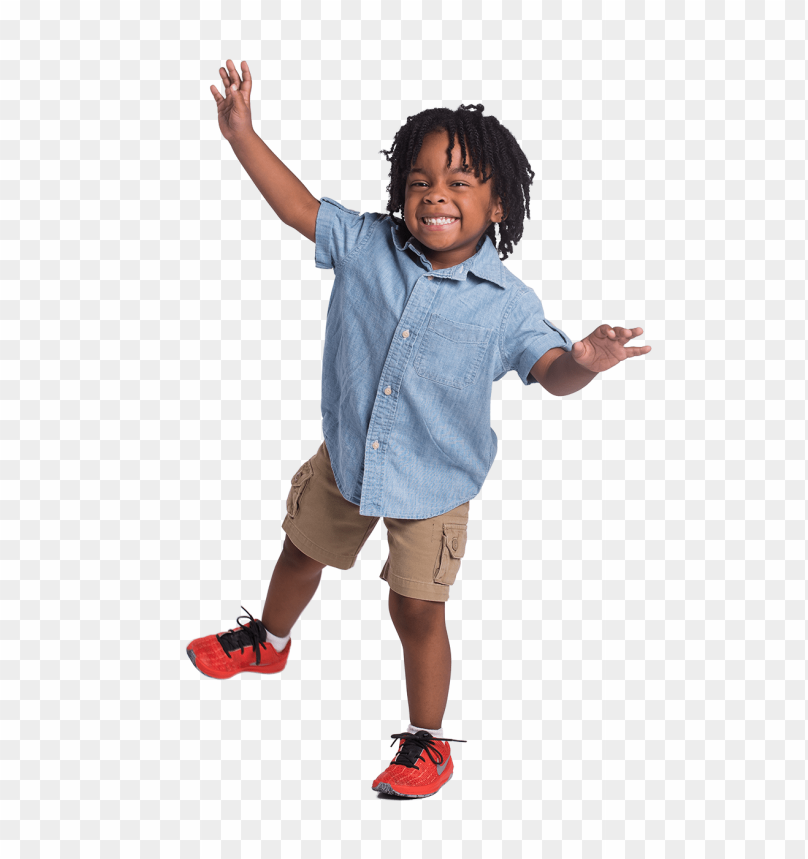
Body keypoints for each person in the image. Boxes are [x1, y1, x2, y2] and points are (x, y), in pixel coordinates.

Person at [186, 60, 652, 799]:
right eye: (420, 180)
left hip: (432, 485)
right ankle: (267, 644)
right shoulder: (367, 243)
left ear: (498, 202)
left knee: (415, 607)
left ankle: (426, 743)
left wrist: (587, 362)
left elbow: (552, 370)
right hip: (346, 458)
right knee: (300, 551)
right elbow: (296, 205)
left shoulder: (507, 303)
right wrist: (243, 133)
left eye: (460, 181)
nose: (436, 193)